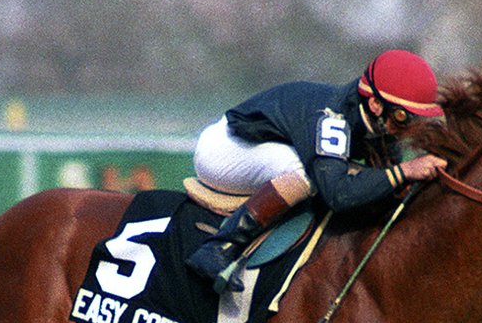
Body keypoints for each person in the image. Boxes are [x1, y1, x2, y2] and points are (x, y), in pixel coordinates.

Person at [186, 49, 450, 292]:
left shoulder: (379, 123)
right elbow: (337, 194)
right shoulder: (332, 118)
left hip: (265, 146)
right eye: (403, 117)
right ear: (375, 105)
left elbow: (385, 185)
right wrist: (404, 171)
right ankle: (219, 247)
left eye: (416, 118)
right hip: (225, 149)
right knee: (303, 173)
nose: (408, 128)